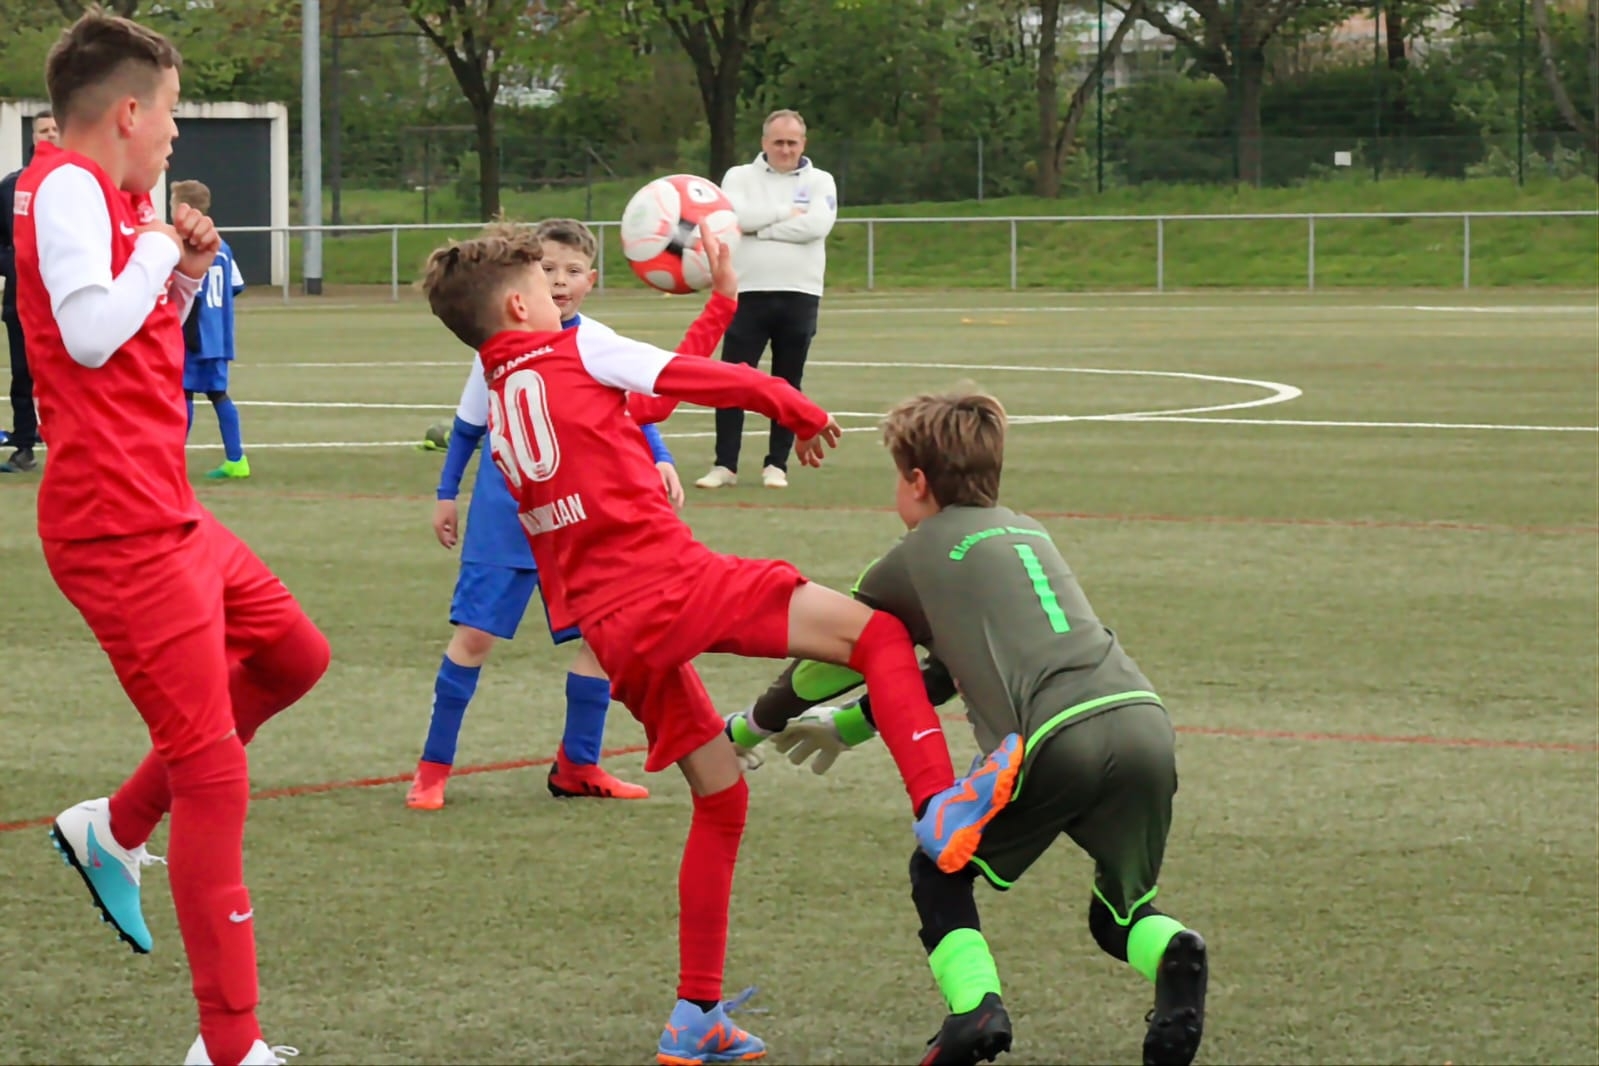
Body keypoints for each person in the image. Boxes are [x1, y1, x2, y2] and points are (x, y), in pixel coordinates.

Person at [420, 227, 1016, 1065]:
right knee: (878, 634)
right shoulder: (574, 349)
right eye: (546, 289)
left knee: (721, 798)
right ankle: (937, 804)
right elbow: (700, 380)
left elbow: (644, 403)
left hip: (610, 630)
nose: (562, 297)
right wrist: (794, 406)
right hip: (666, 585)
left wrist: (717, 313)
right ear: (521, 305)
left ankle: (695, 1014)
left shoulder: (499, 387)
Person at [12, 12, 328, 1066]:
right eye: (174, 113)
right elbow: (88, 332)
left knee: (294, 657)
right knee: (214, 775)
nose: (177, 133)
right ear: (128, 112)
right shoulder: (68, 185)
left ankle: (114, 826)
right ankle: (229, 1048)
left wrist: (181, 275)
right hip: (119, 529)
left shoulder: (110, 200)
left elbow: (131, 343)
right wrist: (159, 248)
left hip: (166, 510)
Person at [724, 390, 1209, 1066]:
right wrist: (852, 727)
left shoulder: (913, 556)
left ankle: (974, 1009)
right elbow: (954, 668)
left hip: (1057, 736)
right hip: (1143, 722)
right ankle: (1174, 950)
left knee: (938, 871)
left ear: (918, 482)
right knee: (1119, 915)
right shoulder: (1028, 532)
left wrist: (747, 729)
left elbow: (826, 661)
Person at [407, 217, 720, 809]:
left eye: (571, 271)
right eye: (546, 269)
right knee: (475, 635)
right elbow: (469, 426)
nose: (557, 282)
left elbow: (631, 404)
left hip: (578, 514)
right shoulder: (497, 345)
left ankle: (578, 763)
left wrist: (660, 456)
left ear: (590, 281)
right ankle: (432, 768)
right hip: (505, 511)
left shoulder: (598, 341)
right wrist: (447, 493)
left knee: (603, 637)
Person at [695, 109, 837, 491]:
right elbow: (734, 217)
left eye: (792, 142)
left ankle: (777, 464)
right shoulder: (739, 176)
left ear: (803, 143)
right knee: (731, 380)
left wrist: (762, 229)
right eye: (778, 142)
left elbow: (817, 226)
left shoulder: (820, 180)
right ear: (764, 143)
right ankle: (725, 465)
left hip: (801, 293)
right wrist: (784, 213)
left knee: (788, 382)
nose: (785, 150)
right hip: (746, 293)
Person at [170, 179, 249, 479]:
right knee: (218, 394)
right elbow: (236, 286)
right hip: (219, 338)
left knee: (183, 394)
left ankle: (173, 461)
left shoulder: (187, 246)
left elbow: (191, 293)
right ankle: (236, 459)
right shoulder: (222, 247)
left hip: (193, 336)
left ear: (182, 208)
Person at [0, 110, 60, 473]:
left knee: (71, 377)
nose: (50, 135)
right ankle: (24, 446)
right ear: (33, 138)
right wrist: (15, 264)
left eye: (55, 129)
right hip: (21, 301)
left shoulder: (80, 184)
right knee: (23, 375)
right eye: (43, 130)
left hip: (65, 301)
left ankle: (80, 450)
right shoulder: (10, 187)